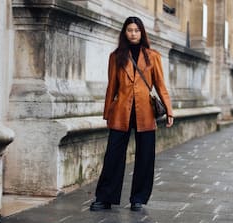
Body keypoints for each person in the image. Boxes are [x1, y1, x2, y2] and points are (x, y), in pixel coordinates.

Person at [90, 16, 174, 212]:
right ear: (124, 33)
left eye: (136, 30)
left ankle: (138, 198)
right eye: (129, 30)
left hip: (145, 112)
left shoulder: (153, 56)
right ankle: (105, 197)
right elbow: (112, 87)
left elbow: (161, 86)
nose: (133, 34)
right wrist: (107, 113)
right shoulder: (116, 56)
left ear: (142, 32)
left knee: (145, 157)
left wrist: (169, 110)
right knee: (113, 155)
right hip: (121, 112)